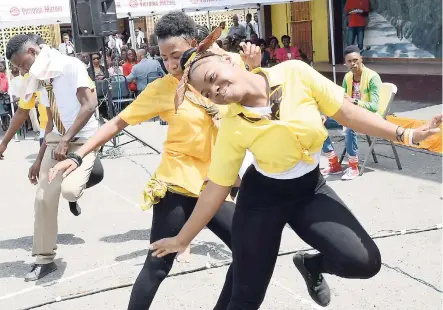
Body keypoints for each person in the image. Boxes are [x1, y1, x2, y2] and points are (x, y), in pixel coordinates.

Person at [148, 28, 442, 309]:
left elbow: (348, 114)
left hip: (309, 189)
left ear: (227, 61)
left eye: (213, 78)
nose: (216, 90)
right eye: (208, 92)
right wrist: (182, 238)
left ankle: (311, 264)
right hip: (261, 202)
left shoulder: (294, 73)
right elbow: (217, 186)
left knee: (363, 262)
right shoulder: (234, 126)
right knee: (245, 299)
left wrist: (408, 134)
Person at [48, 12, 261, 310]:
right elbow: (116, 123)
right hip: (176, 186)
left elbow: (255, 91)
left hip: (215, 187)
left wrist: (254, 66)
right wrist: (77, 154)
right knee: (159, 265)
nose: (171, 64)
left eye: (176, 55)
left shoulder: (223, 72)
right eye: (164, 58)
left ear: (194, 46)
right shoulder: (162, 89)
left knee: (247, 253)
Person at [6, 33, 100, 281]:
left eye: (23, 65)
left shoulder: (70, 66)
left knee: (69, 191)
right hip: (57, 140)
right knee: (43, 198)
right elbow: (49, 124)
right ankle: (44, 259)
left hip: (83, 139)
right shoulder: (42, 79)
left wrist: (68, 140)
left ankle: (93, 171)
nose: (23, 71)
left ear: (33, 53)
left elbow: (89, 105)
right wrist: (39, 158)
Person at [321, 45, 382, 180]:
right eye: (349, 61)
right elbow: (340, 101)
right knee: (318, 123)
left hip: (369, 117)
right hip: (350, 116)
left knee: (350, 126)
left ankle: (353, 166)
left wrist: (353, 101)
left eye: (355, 60)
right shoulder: (347, 77)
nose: (353, 64)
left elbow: (374, 106)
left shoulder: (373, 77)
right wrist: (326, 114)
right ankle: (334, 163)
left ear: (361, 59)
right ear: (345, 63)